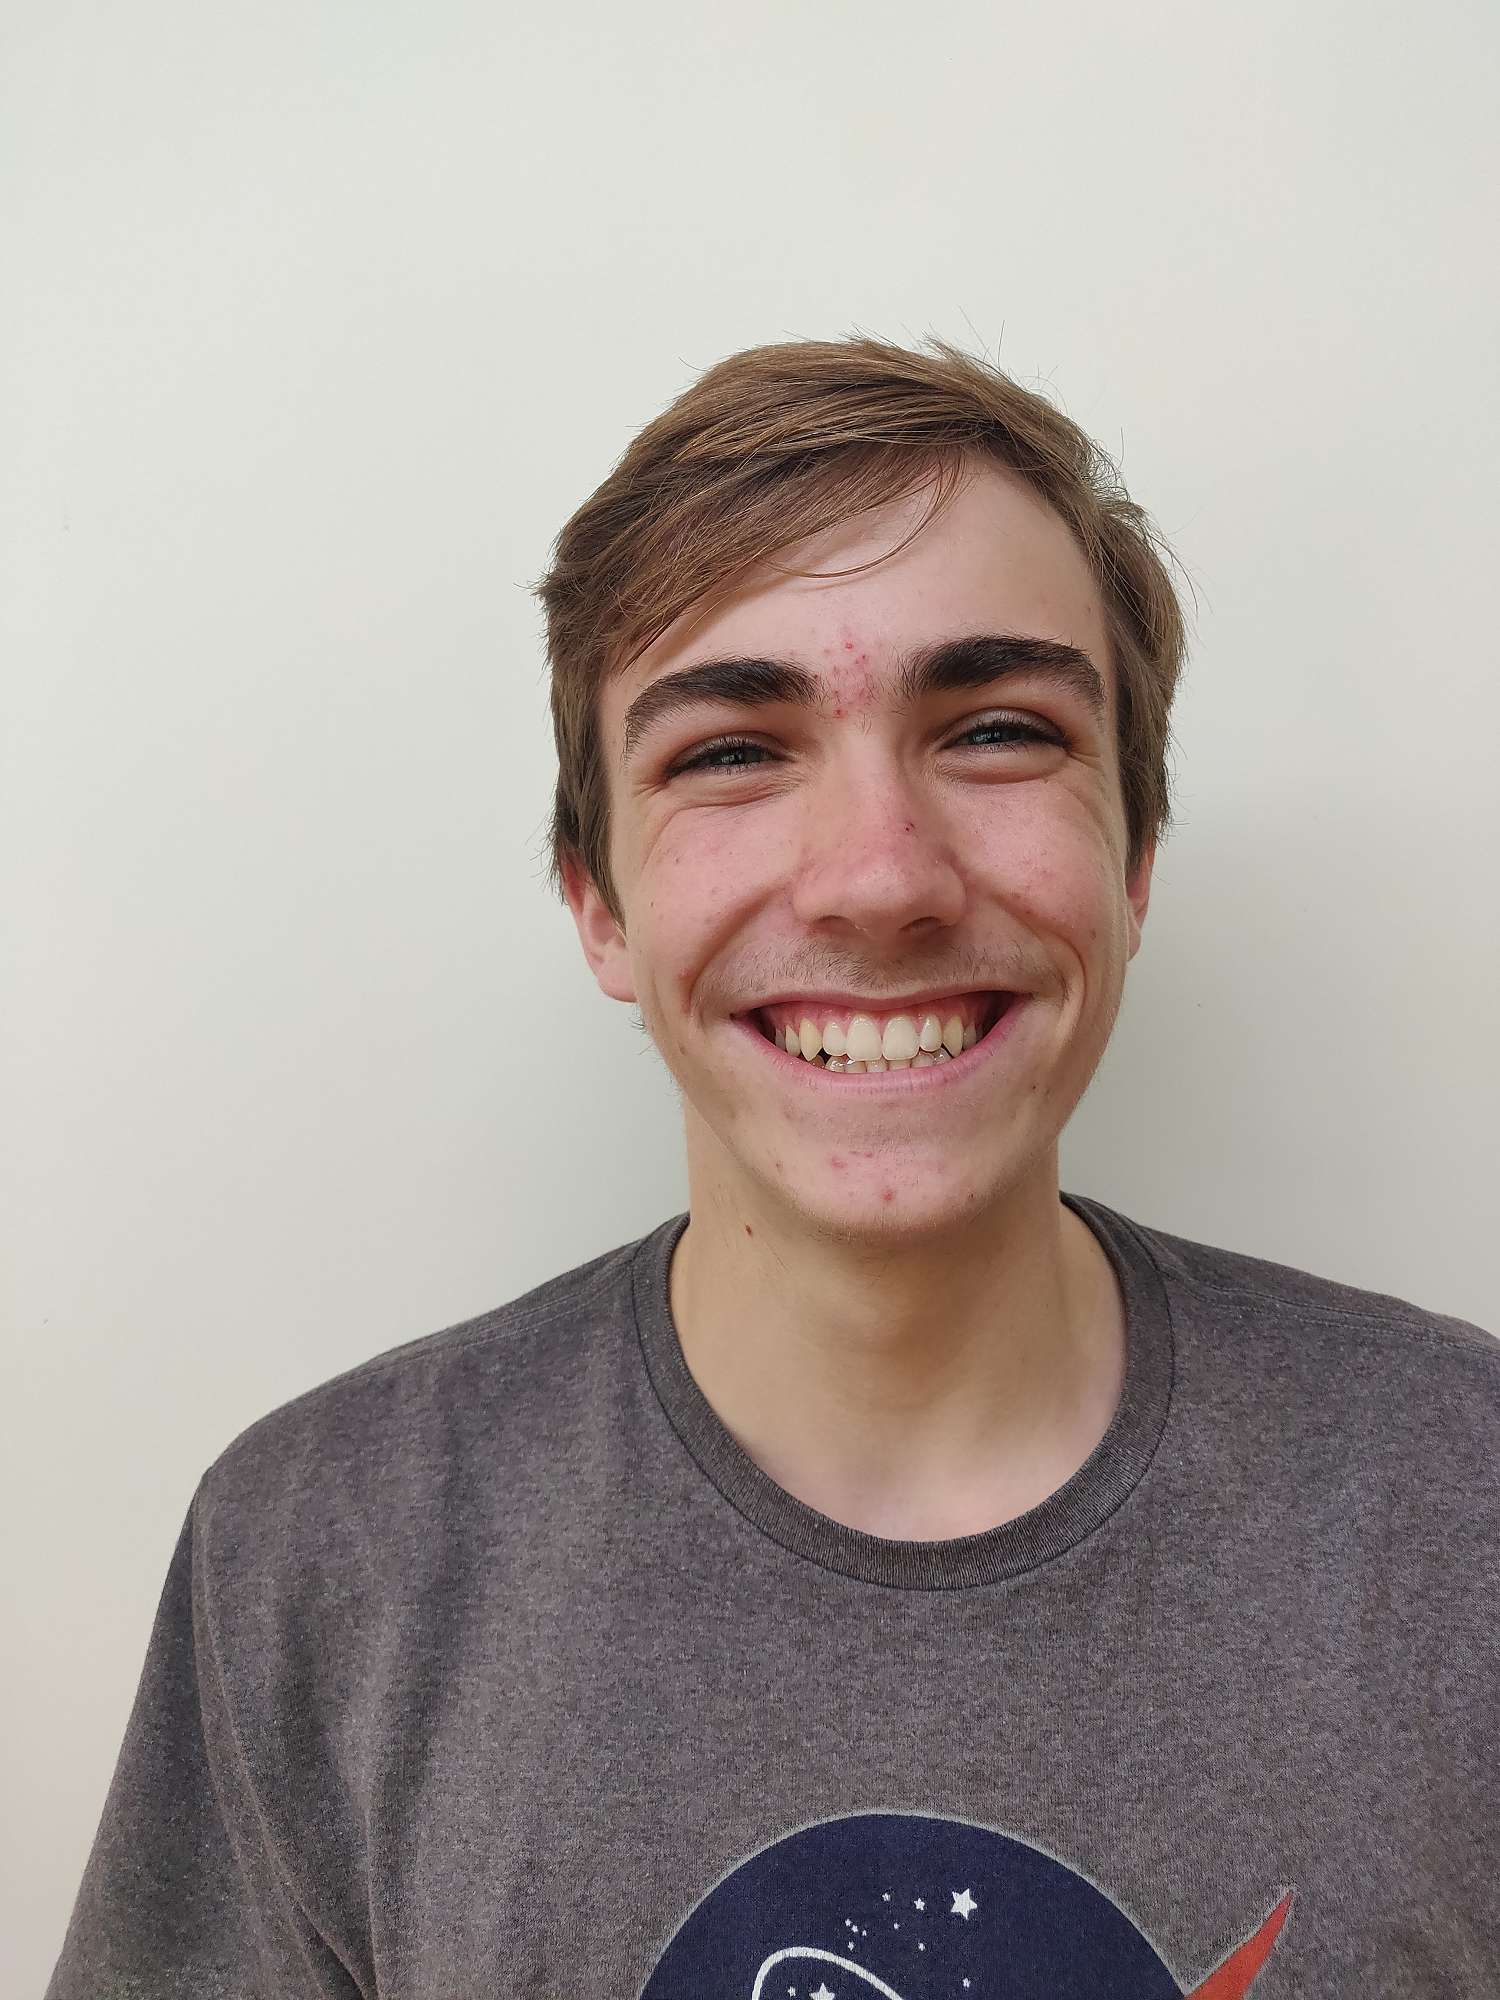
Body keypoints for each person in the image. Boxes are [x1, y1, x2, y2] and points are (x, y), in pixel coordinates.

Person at [46, 336, 1497, 1997]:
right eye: (732, 752)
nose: (879, 878)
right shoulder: (326, 1559)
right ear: (598, 903)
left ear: (1136, 858)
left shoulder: (1464, 1505)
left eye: (998, 729)